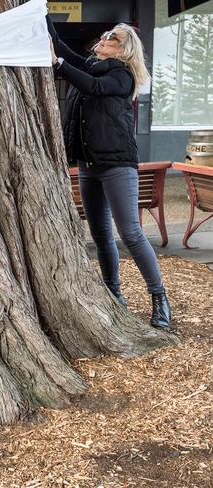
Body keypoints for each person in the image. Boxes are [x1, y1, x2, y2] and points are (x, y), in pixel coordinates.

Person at [47, 18, 171, 329]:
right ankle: (114, 294)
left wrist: (59, 64)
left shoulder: (123, 75)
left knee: (130, 233)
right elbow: (63, 49)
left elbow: (93, 86)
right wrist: (41, 14)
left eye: (111, 36)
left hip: (117, 165)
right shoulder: (93, 64)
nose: (103, 38)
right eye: (104, 35)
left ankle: (159, 298)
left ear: (123, 48)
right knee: (101, 235)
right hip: (89, 165)